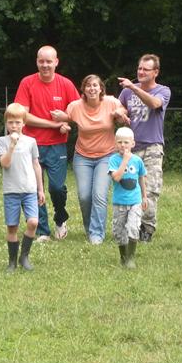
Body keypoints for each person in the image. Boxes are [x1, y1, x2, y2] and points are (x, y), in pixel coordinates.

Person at [51, 75, 128, 244]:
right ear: (83, 89)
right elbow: (66, 118)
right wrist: (63, 124)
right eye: (88, 86)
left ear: (101, 89)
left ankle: (97, 234)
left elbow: (122, 111)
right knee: (85, 196)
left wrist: (120, 114)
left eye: (95, 85)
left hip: (106, 155)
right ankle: (89, 229)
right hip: (83, 157)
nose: (92, 88)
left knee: (99, 195)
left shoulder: (110, 102)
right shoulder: (76, 106)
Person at [14, 46, 80, 242]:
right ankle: (42, 231)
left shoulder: (66, 84)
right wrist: (54, 124)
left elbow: (79, 112)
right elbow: (23, 115)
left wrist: (66, 120)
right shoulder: (27, 82)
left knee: (57, 188)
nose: (45, 65)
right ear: (37, 62)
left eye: (49, 61)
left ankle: (60, 218)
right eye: (41, 61)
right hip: (30, 144)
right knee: (35, 188)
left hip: (56, 145)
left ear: (56, 62)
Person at [117, 53, 171, 242]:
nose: (140, 72)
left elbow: (154, 104)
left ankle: (146, 228)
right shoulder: (126, 93)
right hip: (129, 148)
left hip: (152, 147)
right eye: (139, 68)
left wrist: (133, 87)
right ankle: (130, 225)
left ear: (155, 72)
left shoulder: (163, 91)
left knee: (150, 188)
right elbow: (120, 108)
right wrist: (119, 113)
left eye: (146, 70)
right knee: (128, 187)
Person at [0, 103, 45, 272]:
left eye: (17, 122)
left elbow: (36, 165)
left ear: (24, 123)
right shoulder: (2, 141)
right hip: (11, 191)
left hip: (29, 190)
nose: (14, 126)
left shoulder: (31, 142)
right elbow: (5, 163)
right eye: (10, 122)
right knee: (12, 227)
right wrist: (12, 145)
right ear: (6, 124)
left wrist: (40, 189)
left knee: (33, 222)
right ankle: (12, 262)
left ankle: (24, 256)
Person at [108, 127, 148, 269]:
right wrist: (125, 160)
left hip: (135, 202)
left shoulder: (137, 160)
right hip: (119, 203)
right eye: (119, 142)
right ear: (115, 144)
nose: (123, 145)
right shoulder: (113, 160)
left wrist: (144, 196)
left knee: (133, 228)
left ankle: (130, 259)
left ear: (133, 144)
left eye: (126, 142)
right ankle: (123, 257)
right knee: (119, 232)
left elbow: (141, 178)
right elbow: (117, 177)